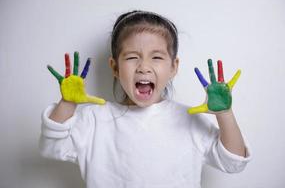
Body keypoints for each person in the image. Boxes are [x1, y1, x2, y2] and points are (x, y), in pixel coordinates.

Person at [39, 10, 251, 188]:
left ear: (173, 67)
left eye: (157, 57)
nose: (144, 67)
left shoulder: (188, 120)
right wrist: (67, 103)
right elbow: (51, 147)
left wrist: (225, 113)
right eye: (132, 57)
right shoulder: (94, 119)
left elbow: (234, 162)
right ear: (115, 67)